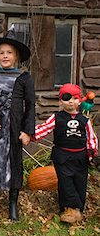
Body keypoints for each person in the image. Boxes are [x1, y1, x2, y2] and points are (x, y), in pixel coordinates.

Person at [0, 27, 35, 221]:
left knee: (14, 162)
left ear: (16, 56)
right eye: (1, 52)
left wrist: (27, 131)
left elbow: (30, 105)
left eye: (9, 52)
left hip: (13, 129)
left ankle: (12, 202)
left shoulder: (24, 78)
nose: (5, 56)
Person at [34, 84, 98, 223]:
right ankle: (69, 209)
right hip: (62, 155)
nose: (71, 101)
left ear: (80, 101)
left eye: (75, 98)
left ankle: (78, 209)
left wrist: (92, 152)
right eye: (66, 98)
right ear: (60, 101)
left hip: (80, 156)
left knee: (80, 182)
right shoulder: (56, 117)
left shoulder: (84, 120)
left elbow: (91, 137)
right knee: (65, 181)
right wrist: (30, 135)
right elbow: (44, 128)